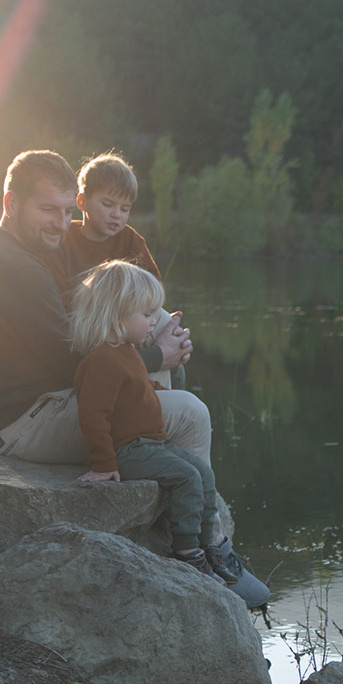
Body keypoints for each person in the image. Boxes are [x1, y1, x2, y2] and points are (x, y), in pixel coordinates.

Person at [0, 149, 203, 464]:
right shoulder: (9, 265)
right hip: (26, 423)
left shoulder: (11, 251)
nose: (62, 224)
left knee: (158, 338)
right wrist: (158, 355)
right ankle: (200, 512)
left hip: (41, 405)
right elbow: (73, 361)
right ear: (11, 204)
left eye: (67, 212)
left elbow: (72, 348)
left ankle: (166, 485)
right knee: (190, 414)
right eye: (49, 210)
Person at [69, 261, 238, 584]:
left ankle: (207, 545)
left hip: (151, 443)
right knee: (188, 476)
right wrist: (104, 464)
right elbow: (93, 416)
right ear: (117, 314)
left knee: (203, 473)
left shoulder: (127, 352)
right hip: (130, 450)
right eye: (146, 315)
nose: (153, 323)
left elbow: (138, 389)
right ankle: (187, 553)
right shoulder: (101, 360)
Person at [52, 152, 213, 462]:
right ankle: (154, 408)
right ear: (82, 201)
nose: (117, 215)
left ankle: (167, 397)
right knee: (153, 326)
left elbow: (152, 290)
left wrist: (162, 324)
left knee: (165, 320)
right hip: (92, 325)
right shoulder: (65, 239)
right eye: (108, 205)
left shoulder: (130, 241)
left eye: (125, 208)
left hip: (130, 322)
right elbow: (62, 298)